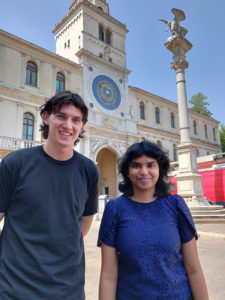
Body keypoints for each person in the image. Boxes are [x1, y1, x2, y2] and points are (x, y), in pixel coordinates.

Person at [0, 91, 99, 299]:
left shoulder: (89, 170)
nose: (68, 125)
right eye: (61, 116)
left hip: (68, 291)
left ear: (82, 127)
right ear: (46, 117)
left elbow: (82, 226)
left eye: (76, 120)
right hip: (14, 290)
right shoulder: (15, 164)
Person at [98, 141, 209, 300]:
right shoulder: (115, 209)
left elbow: (194, 269)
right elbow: (108, 276)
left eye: (151, 165)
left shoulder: (176, 205)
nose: (144, 171)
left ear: (159, 169)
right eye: (136, 165)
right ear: (127, 171)